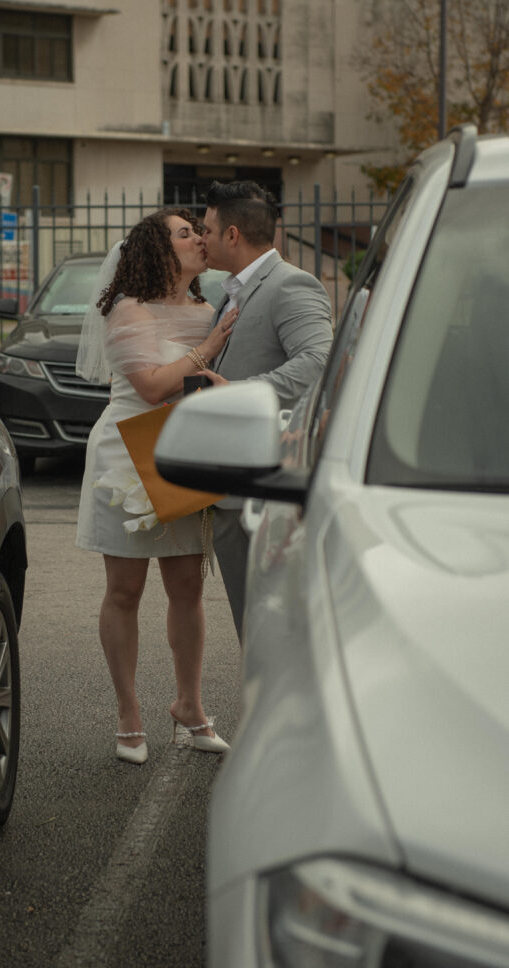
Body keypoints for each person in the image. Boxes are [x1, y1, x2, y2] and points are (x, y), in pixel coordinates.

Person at [75, 207, 238, 764]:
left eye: (198, 231)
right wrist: (209, 347)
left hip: (181, 450)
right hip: (127, 452)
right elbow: (149, 388)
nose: (198, 239)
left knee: (188, 583)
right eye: (185, 233)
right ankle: (128, 715)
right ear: (157, 250)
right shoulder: (129, 309)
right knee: (125, 589)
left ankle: (189, 707)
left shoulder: (208, 308)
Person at [199, 180, 334, 641]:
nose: (202, 239)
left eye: (208, 230)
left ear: (233, 234)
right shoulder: (232, 290)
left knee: (272, 635)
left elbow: (319, 363)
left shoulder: (291, 284)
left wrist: (238, 392)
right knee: (252, 630)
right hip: (233, 485)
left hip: (265, 494)